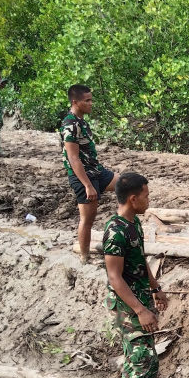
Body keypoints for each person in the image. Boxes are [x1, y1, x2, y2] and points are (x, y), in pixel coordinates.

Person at [103, 172, 168, 378]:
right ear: (133, 199)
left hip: (137, 299)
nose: (148, 201)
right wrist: (140, 310)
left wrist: (155, 287)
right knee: (145, 363)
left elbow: (140, 260)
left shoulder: (133, 224)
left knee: (135, 362)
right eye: (146, 196)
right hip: (126, 306)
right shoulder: (115, 231)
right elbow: (114, 277)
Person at [61, 84, 118, 264]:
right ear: (76, 102)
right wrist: (87, 185)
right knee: (88, 219)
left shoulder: (81, 121)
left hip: (96, 170)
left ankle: (125, 229)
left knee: (127, 185)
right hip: (82, 176)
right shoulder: (70, 125)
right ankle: (85, 257)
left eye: (91, 99)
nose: (91, 103)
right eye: (88, 100)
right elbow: (73, 159)